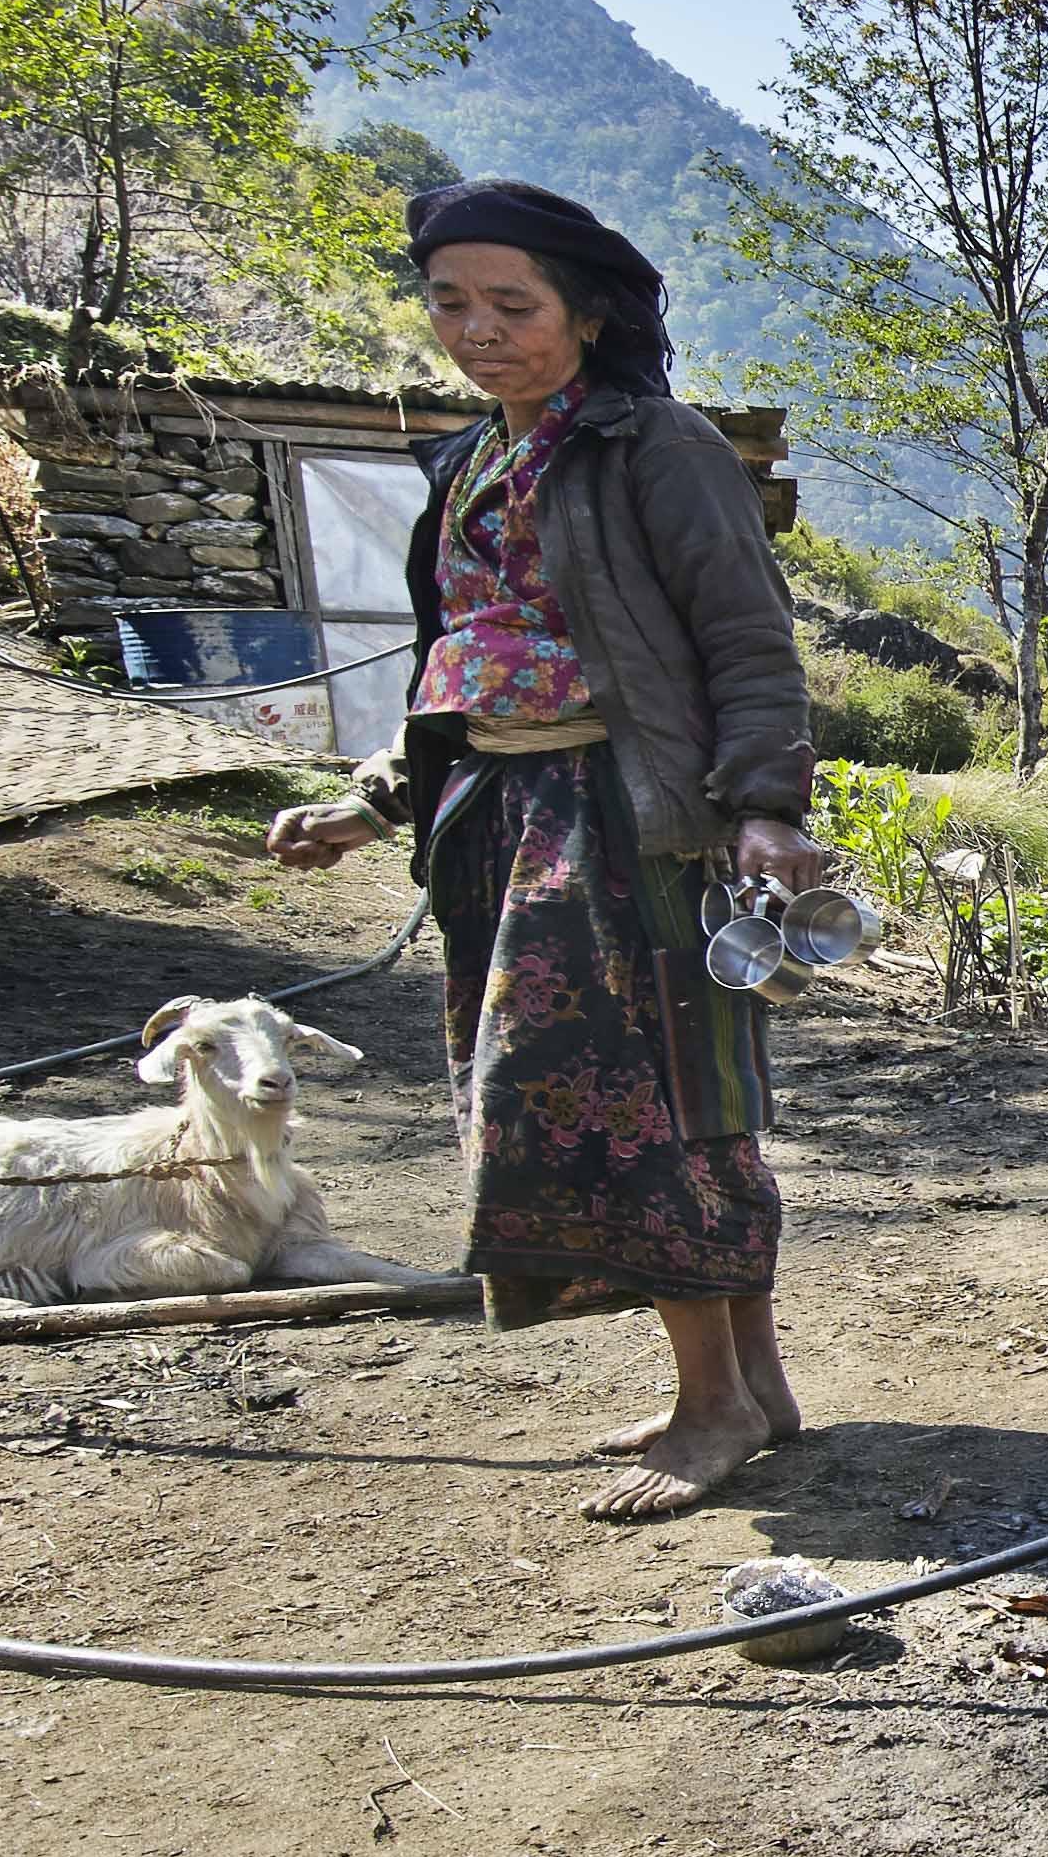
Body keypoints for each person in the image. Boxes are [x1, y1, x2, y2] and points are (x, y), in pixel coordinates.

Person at [264, 179, 828, 1523]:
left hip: (632, 828)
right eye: (453, 302)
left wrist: (768, 804)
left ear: (584, 311)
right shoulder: (469, 467)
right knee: (657, 1103)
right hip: (507, 829)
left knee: (657, 1109)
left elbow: (747, 639)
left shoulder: (657, 449)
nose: (479, 331)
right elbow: (457, 669)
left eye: (513, 305)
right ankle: (751, 1383)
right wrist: (377, 800)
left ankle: (713, 1408)